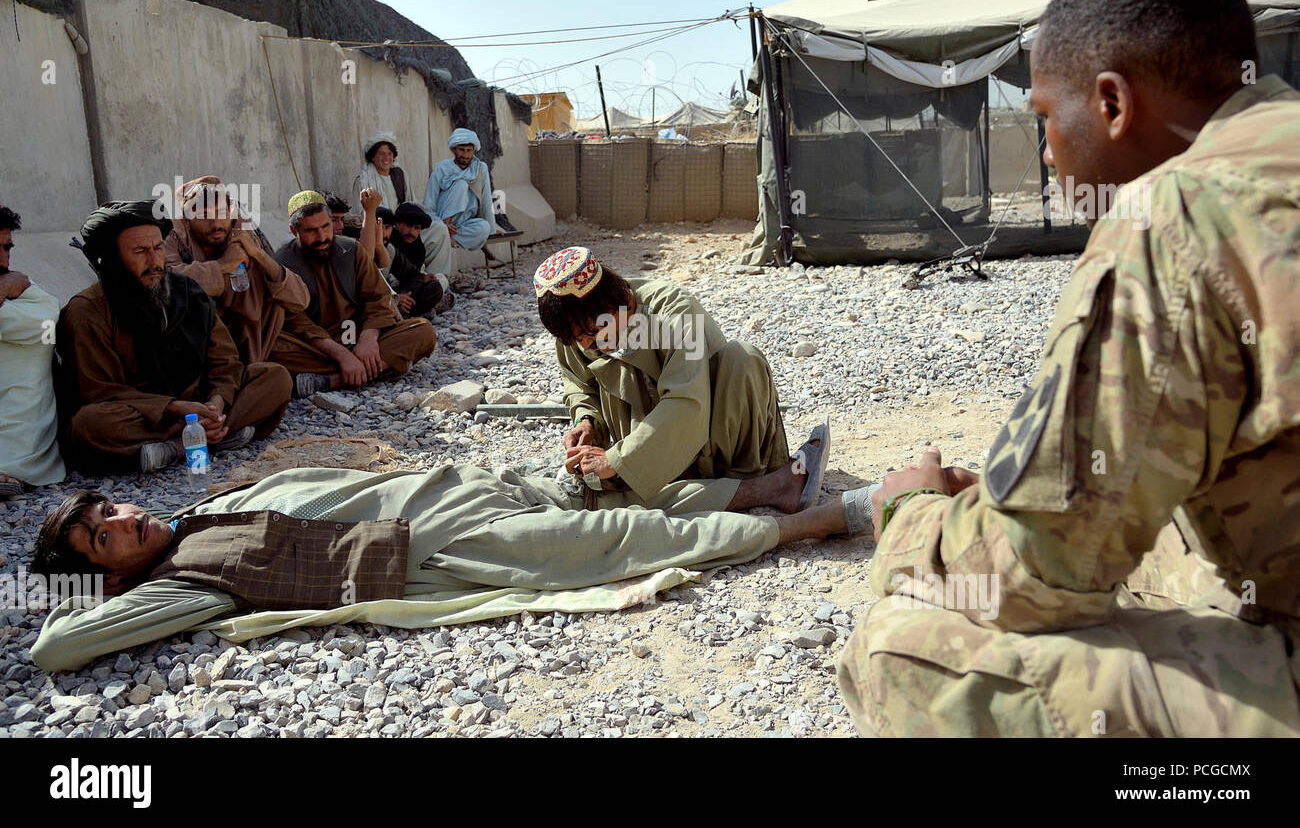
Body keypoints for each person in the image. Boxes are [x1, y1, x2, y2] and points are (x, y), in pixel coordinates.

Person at [837, 0, 1300, 738]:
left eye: (1048, 119)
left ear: (1114, 104)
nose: (1048, 154)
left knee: (901, 653)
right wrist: (1014, 492)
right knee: (1169, 543)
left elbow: (1041, 569)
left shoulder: (1173, 217)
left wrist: (910, 513)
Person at [28, 461, 866, 672]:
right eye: (105, 536)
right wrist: (64, 589)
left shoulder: (190, 517)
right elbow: (53, 648)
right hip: (430, 553)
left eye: (111, 508)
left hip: (445, 491)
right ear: (109, 577)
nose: (125, 518)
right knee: (624, 536)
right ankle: (813, 522)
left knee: (591, 492)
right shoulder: (177, 582)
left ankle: (767, 485)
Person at [535, 247, 825, 513]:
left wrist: (617, 461)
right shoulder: (579, 328)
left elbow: (687, 403)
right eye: (578, 339)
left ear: (613, 304)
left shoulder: (674, 311)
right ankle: (750, 491)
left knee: (742, 358)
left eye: (592, 334)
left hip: (713, 441)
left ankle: (741, 484)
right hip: (647, 456)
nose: (586, 346)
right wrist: (585, 421)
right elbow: (579, 385)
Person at [56, 201, 292, 474]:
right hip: (144, 414)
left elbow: (225, 360)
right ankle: (195, 441)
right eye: (140, 251)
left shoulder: (187, 291)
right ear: (113, 257)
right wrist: (172, 408)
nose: (154, 261)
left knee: (274, 377)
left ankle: (200, 435)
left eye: (157, 248)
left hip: (198, 402)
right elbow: (98, 390)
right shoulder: (87, 309)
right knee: (89, 424)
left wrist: (216, 403)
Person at [271, 191, 437, 397]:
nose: (322, 237)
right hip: (317, 347)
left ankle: (329, 381)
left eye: (326, 227)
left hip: (358, 336)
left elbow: (377, 297)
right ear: (293, 231)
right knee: (271, 348)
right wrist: (341, 355)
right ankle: (377, 368)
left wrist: (368, 339)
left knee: (422, 331)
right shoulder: (282, 264)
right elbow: (297, 323)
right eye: (311, 231)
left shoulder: (352, 250)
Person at [162, 176, 311, 364]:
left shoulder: (245, 238)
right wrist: (223, 265)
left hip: (258, 338)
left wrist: (258, 255)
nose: (216, 223)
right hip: (203, 345)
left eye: (221, 212)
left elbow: (299, 301)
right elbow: (167, 284)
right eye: (204, 215)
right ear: (185, 221)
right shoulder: (173, 238)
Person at [0, 206, 66, 496]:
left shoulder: (27, 290)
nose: (3, 258)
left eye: (7, 248)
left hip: (18, 452)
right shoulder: (9, 285)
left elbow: (45, 320)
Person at [420, 127, 495, 275]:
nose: (465, 155)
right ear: (454, 149)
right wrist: (442, 225)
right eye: (461, 150)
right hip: (441, 221)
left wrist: (492, 229)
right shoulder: (442, 169)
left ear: (474, 151)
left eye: (469, 150)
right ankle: (444, 231)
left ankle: (449, 236)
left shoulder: (480, 168)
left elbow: (486, 198)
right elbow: (428, 204)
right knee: (460, 184)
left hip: (463, 223)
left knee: (483, 228)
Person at [387, 201, 453, 317]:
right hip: (390, 292)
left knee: (439, 281)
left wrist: (422, 278)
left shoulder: (417, 248)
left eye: (416, 228)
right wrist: (397, 296)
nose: (411, 232)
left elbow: (413, 273)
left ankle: (419, 309)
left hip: (410, 289)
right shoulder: (389, 244)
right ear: (397, 224)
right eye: (408, 226)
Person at [348, 132, 408, 218]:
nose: (386, 157)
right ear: (373, 157)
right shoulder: (362, 181)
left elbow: (410, 203)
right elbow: (358, 212)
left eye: (389, 153)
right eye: (382, 154)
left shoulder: (401, 176)